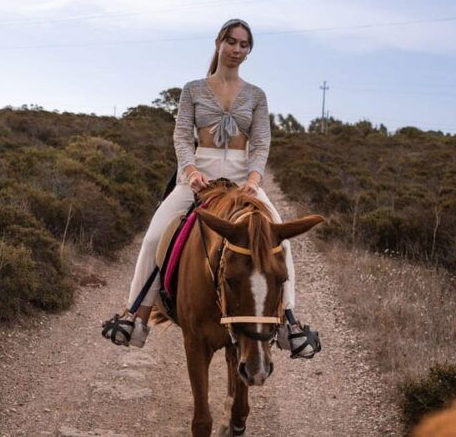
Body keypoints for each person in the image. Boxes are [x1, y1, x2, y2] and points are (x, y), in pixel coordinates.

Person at [101, 18, 320, 359]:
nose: (237, 50)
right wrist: (189, 172)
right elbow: (181, 135)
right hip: (198, 177)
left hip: (241, 180)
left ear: (249, 50)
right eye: (232, 42)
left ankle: (289, 321)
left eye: (244, 45)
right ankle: (136, 316)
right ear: (219, 42)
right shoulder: (193, 89)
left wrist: (253, 180)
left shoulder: (257, 95)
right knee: (155, 237)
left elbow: (261, 143)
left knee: (280, 241)